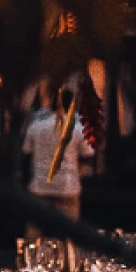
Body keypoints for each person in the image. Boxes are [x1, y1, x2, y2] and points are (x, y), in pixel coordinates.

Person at [25, 81, 83, 223]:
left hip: (40, 185)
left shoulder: (36, 124)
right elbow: (88, 155)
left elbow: (26, 152)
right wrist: (77, 171)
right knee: (69, 233)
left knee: (34, 230)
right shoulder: (76, 126)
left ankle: (30, 246)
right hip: (67, 187)